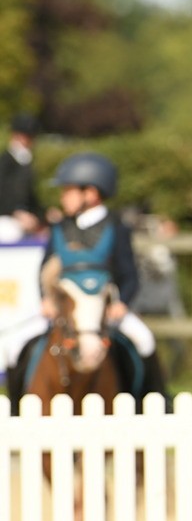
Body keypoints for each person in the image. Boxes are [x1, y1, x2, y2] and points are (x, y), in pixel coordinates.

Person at [4, 153, 172, 407]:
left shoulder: (116, 228)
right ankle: (17, 410)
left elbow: (129, 275)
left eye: (68, 191)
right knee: (14, 347)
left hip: (105, 311)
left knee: (144, 340)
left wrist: (122, 303)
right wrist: (46, 300)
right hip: (64, 311)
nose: (62, 197)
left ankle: (153, 404)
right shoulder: (60, 228)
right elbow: (44, 270)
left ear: (90, 193)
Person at [0, 113, 45, 243]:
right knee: (10, 232)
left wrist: (42, 216)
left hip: (25, 218)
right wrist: (16, 213)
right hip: (6, 218)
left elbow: (31, 198)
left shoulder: (26, 163)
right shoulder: (4, 163)